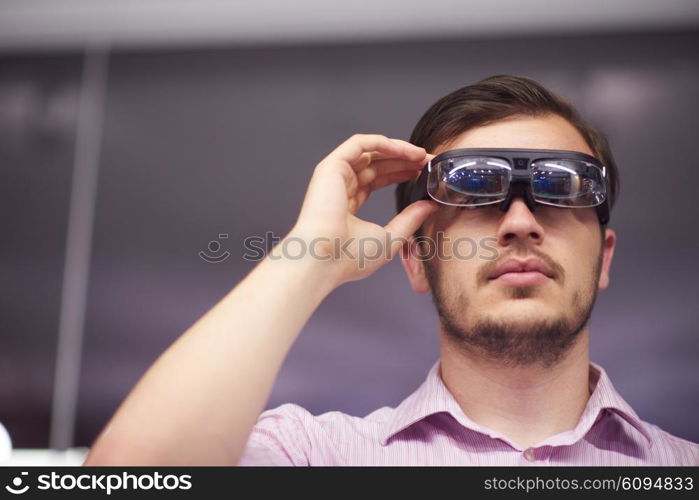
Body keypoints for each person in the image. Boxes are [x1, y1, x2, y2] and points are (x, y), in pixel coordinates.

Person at [84, 75, 698, 466]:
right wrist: (312, 258)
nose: (518, 222)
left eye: (560, 188)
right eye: (474, 188)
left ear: (605, 257)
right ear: (416, 260)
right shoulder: (314, 458)